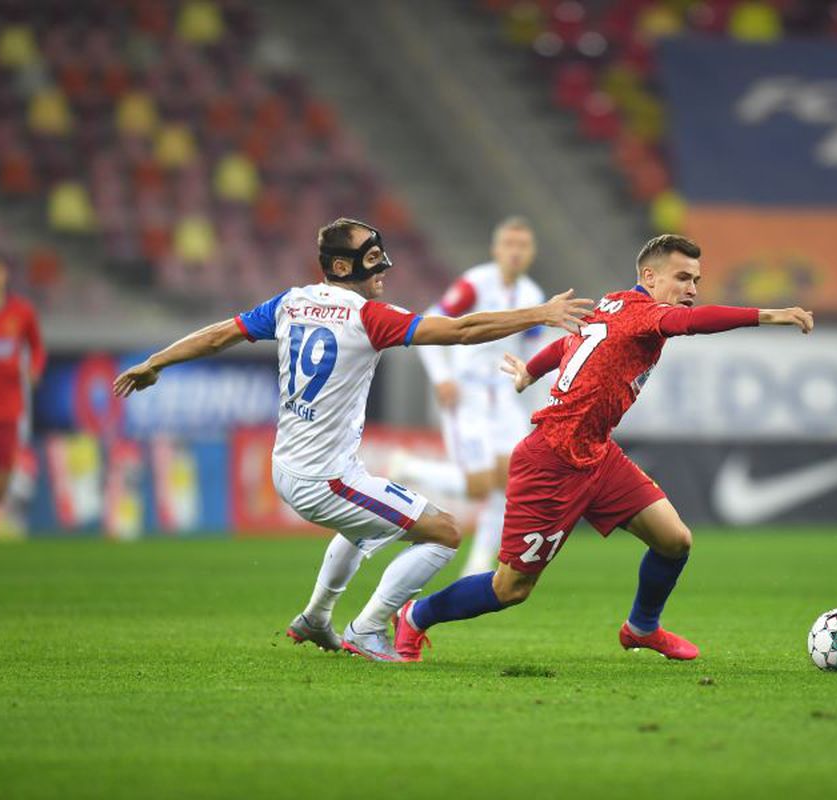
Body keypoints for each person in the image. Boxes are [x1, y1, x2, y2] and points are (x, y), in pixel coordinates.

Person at [112, 218, 592, 661]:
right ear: (343, 267)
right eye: (373, 258)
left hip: (289, 466)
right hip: (326, 480)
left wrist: (155, 362)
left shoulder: (291, 302)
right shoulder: (370, 318)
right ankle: (368, 628)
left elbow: (221, 335)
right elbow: (463, 330)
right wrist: (541, 313)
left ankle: (316, 617)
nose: (383, 267)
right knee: (444, 533)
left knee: (364, 526)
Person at [393, 234, 814, 662]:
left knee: (674, 541)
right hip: (550, 461)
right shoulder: (647, 314)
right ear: (649, 276)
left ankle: (642, 628)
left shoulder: (614, 304)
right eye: (682, 278)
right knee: (510, 588)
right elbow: (692, 322)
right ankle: (414, 615)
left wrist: (531, 372)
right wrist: (768, 315)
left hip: (596, 454)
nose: (691, 289)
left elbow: (568, 342)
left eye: (696, 280)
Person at [404, 216, 547, 577]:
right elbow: (429, 322)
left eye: (522, 245)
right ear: (496, 249)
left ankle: (478, 564)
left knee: (511, 481)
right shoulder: (474, 284)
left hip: (504, 397)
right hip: (467, 393)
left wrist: (530, 383)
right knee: (479, 485)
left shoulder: (532, 296)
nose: (515, 252)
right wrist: (442, 377)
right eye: (509, 244)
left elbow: (533, 349)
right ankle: (407, 468)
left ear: (532, 252)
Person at [0, 252, 45, 538]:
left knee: (3, 472)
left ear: (5, 275)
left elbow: (36, 347)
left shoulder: (21, 312)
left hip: (7, 408)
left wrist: (34, 369)